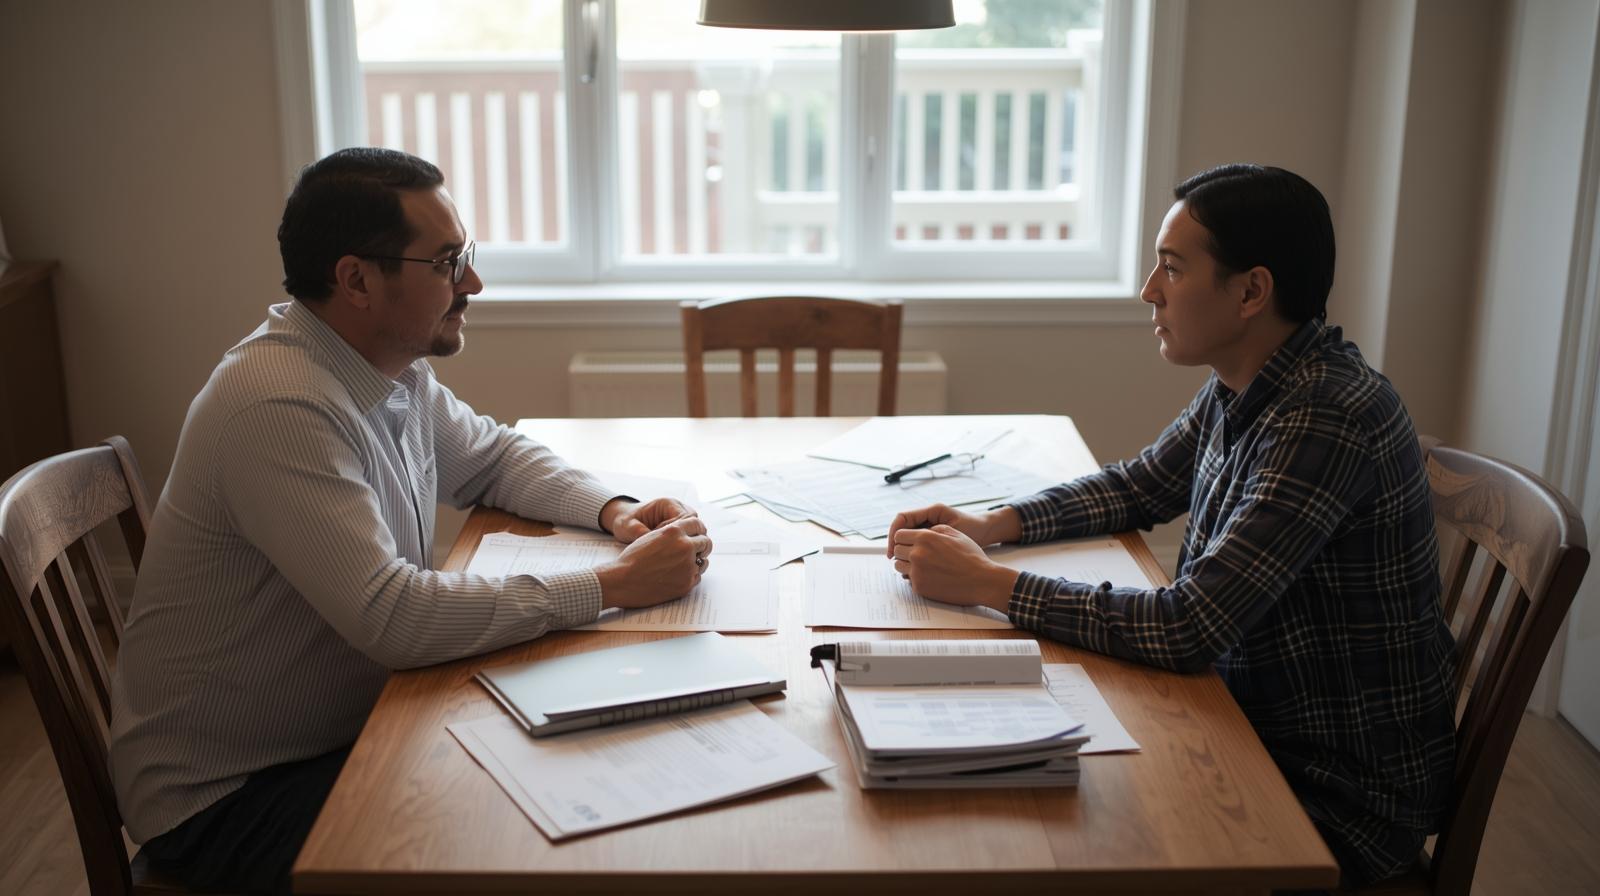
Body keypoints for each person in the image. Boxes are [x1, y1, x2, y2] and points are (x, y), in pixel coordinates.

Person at [109, 147, 713, 894]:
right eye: (448, 262)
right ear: (357, 279)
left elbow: (494, 459)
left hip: (341, 731)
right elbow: (391, 617)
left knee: (576, 772)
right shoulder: (279, 405)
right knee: (532, 833)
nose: (474, 283)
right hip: (229, 798)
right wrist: (613, 584)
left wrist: (613, 511)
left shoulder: (385, 367)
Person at [887, 164, 1456, 887]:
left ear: (1251, 291)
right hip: (1245, 721)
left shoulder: (1327, 416)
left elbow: (1186, 629)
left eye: (1172, 268)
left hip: (1332, 793)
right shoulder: (1252, 378)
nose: (1149, 292)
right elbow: (1139, 485)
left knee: (1036, 830)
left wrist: (989, 584)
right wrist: (992, 523)